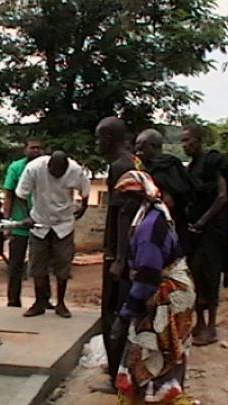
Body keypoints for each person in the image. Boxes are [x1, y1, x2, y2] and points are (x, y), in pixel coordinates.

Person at [112, 170, 195, 405]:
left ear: (139, 198)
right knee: (167, 354)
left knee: (152, 353)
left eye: (125, 198)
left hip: (165, 293)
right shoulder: (153, 216)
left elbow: (148, 276)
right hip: (176, 289)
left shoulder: (148, 228)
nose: (121, 204)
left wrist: (125, 314)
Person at [95, 116, 145, 392]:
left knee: (112, 314)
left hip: (119, 255)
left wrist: (118, 258)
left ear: (109, 138)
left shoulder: (119, 166)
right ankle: (122, 369)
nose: (96, 143)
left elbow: (124, 215)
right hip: (131, 252)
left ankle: (117, 379)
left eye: (98, 138)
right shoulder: (134, 161)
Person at [181, 124, 228, 346]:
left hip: (212, 231)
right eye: (182, 142)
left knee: (210, 275)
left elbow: (222, 197)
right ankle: (199, 323)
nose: (185, 145)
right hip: (194, 232)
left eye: (188, 141)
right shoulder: (189, 169)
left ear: (199, 140)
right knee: (194, 275)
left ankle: (212, 326)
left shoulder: (214, 162)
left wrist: (203, 221)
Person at [15, 151, 90, 318]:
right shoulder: (34, 168)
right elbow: (20, 194)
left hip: (63, 223)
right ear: (48, 165)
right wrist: (27, 215)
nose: (56, 175)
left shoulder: (75, 170)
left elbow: (85, 191)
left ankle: (61, 303)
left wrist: (83, 208)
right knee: (37, 264)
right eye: (53, 171)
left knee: (63, 264)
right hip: (39, 221)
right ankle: (39, 302)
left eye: (60, 172)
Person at [1, 138, 53, 308]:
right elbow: (9, 194)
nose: (36, 151)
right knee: (15, 265)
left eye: (39, 148)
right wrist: (7, 221)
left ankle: (44, 299)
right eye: (32, 148)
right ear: (25, 149)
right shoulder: (16, 168)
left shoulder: (47, 168)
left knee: (41, 263)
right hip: (19, 224)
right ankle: (13, 300)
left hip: (41, 224)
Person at [135, 128, 192, 253]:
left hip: (170, 222)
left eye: (141, 148)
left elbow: (175, 197)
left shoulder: (167, 166)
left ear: (152, 146)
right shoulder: (143, 168)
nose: (138, 153)